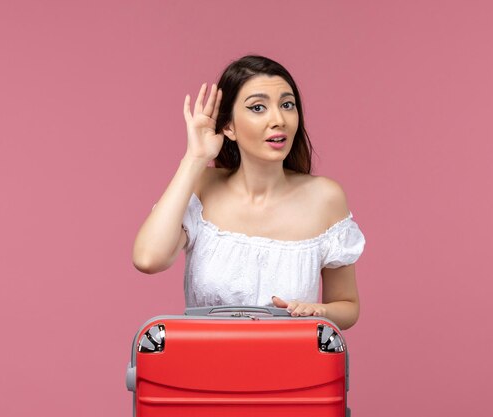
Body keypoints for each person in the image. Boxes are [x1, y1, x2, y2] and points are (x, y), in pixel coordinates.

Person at [132, 55, 365, 330]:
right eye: (258, 108)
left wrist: (317, 311)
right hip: (205, 367)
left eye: (287, 105)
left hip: (292, 368)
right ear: (228, 126)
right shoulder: (203, 186)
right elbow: (148, 258)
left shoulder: (325, 197)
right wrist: (194, 158)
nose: (278, 119)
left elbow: (347, 305)